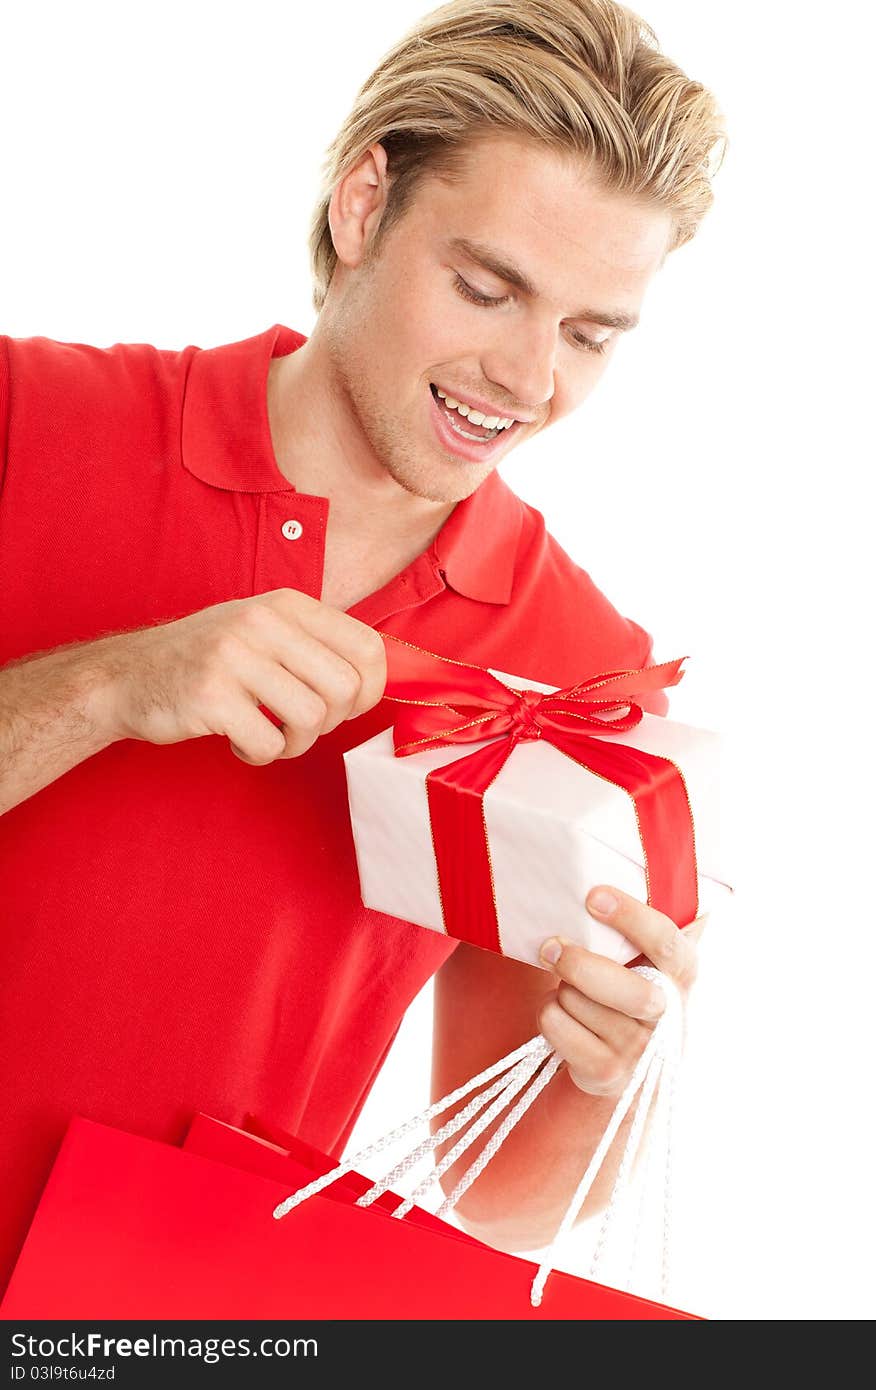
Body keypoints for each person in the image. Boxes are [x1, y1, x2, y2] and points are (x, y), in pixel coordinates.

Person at [0, 0, 726, 1292]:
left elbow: (496, 1184)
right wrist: (114, 683)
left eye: (590, 333)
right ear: (359, 205)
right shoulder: (29, 422)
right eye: (487, 288)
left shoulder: (575, 672)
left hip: (161, 1321)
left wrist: (596, 1070)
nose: (524, 374)